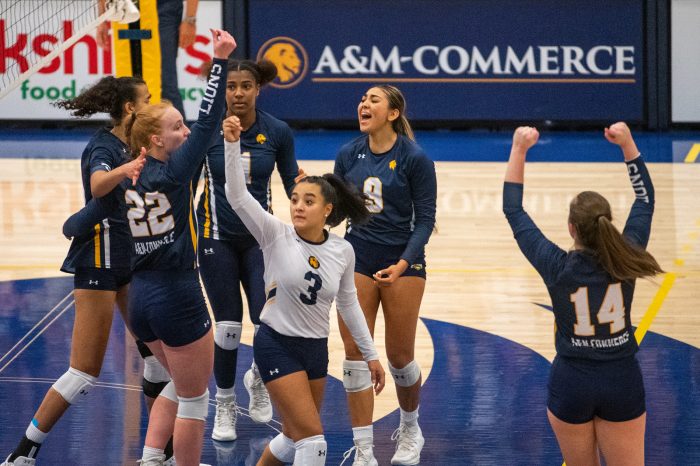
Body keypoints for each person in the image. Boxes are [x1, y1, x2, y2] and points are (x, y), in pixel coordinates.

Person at [60, 29, 235, 466]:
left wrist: (76, 225)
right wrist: (219, 60)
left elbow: (75, 223)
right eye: (177, 127)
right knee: (196, 399)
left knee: (177, 381)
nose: (186, 130)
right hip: (178, 293)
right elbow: (211, 118)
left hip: (140, 300)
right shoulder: (175, 171)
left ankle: (153, 457)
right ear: (155, 141)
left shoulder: (128, 176)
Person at [1, 76, 165, 466]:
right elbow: (97, 185)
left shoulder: (133, 144)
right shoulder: (105, 147)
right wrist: (126, 171)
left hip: (127, 259)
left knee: (158, 361)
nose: (151, 104)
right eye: (147, 99)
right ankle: (23, 453)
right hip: (97, 261)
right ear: (130, 108)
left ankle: (160, 454)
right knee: (83, 371)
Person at [222, 115, 386, 466]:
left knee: (294, 437)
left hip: (315, 350)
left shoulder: (342, 250)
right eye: (295, 199)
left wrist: (371, 354)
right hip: (276, 344)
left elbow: (349, 305)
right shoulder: (274, 234)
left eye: (308, 201)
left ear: (327, 210)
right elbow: (236, 196)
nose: (298, 205)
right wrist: (232, 144)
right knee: (314, 442)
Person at [502, 122, 663, 466]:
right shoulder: (628, 255)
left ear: (571, 228)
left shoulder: (556, 265)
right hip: (620, 377)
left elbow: (514, 211)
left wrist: (519, 149)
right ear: (608, 222)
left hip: (571, 381)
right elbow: (645, 200)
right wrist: (628, 144)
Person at [196, 58, 299, 442]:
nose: (237, 93)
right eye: (230, 87)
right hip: (215, 237)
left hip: (262, 241)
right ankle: (225, 402)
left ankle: (256, 378)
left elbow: (292, 185)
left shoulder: (278, 131)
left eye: (245, 86)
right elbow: (186, 187)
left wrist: (318, 203)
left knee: (268, 321)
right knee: (226, 327)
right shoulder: (205, 131)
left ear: (258, 90)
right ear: (222, 91)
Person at [333, 85, 437, 466]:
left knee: (398, 356)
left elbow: (425, 221)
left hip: (403, 260)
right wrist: (311, 200)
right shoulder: (348, 154)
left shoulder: (414, 158)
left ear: (393, 113)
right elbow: (338, 213)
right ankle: (364, 450)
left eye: (373, 99)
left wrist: (403, 264)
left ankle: (410, 426)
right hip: (358, 256)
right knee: (355, 353)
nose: (363, 103)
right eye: (362, 98)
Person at [97, 0, 199, 117]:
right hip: (125, 7)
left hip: (163, 8)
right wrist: (102, 19)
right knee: (128, 83)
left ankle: (179, 133)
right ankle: (130, 132)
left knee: (164, 81)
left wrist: (190, 19)